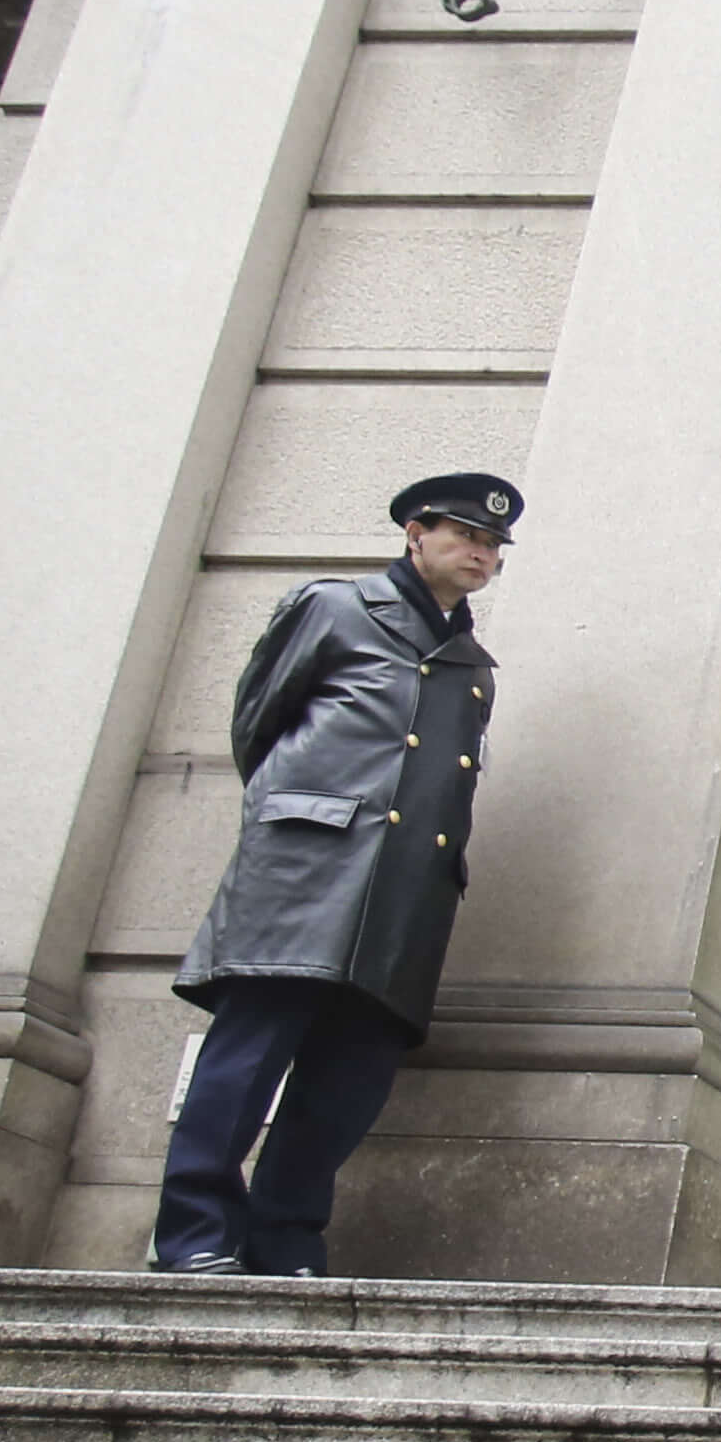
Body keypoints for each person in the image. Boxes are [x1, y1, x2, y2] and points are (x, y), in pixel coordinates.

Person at [151, 471, 515, 1278]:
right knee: (246, 1059)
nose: (480, 553)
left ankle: (284, 1241)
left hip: (405, 895)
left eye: (492, 545)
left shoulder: (472, 666)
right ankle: (193, 1237)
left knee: (348, 1080)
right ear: (415, 532)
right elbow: (261, 730)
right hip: (307, 874)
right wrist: (309, 824)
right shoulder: (334, 608)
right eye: (464, 534)